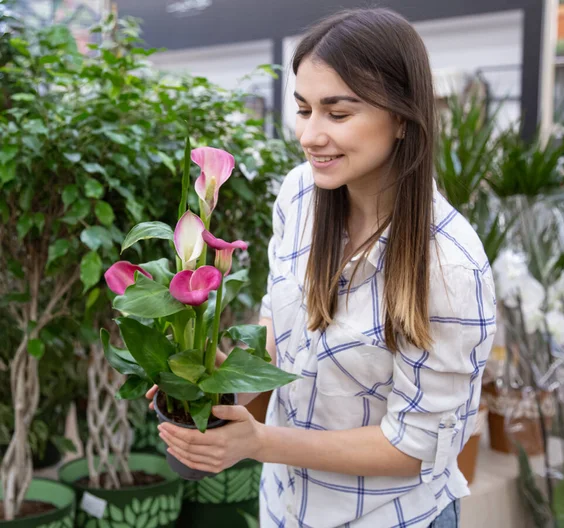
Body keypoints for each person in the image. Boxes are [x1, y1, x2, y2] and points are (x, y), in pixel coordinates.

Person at [149, 8, 496, 528]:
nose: (310, 136)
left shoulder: (450, 266)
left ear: (402, 118)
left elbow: (417, 445)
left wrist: (260, 442)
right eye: (303, 109)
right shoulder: (300, 195)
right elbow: (278, 328)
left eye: (337, 114)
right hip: (285, 509)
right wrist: (209, 387)